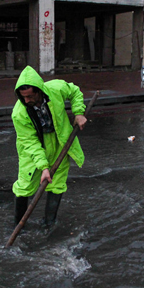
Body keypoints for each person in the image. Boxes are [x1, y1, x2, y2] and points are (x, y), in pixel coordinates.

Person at [11, 65, 87, 228]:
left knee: (57, 183)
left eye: (30, 96)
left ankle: (48, 224)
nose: (26, 100)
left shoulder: (56, 88)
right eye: (23, 97)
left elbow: (74, 91)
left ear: (39, 91)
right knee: (25, 185)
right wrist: (44, 167)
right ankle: (19, 225)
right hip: (33, 147)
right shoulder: (19, 113)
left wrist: (79, 113)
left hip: (59, 142)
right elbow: (30, 142)